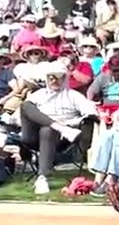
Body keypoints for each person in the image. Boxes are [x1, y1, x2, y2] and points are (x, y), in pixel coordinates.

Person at [21, 62, 98, 195]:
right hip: (33, 136)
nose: (54, 81)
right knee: (25, 106)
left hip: (60, 139)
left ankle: (42, 177)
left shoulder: (73, 95)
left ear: (64, 78)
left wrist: (73, 123)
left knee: (48, 130)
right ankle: (58, 127)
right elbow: (26, 113)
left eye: (58, 77)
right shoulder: (39, 94)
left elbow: (90, 113)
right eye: (51, 77)